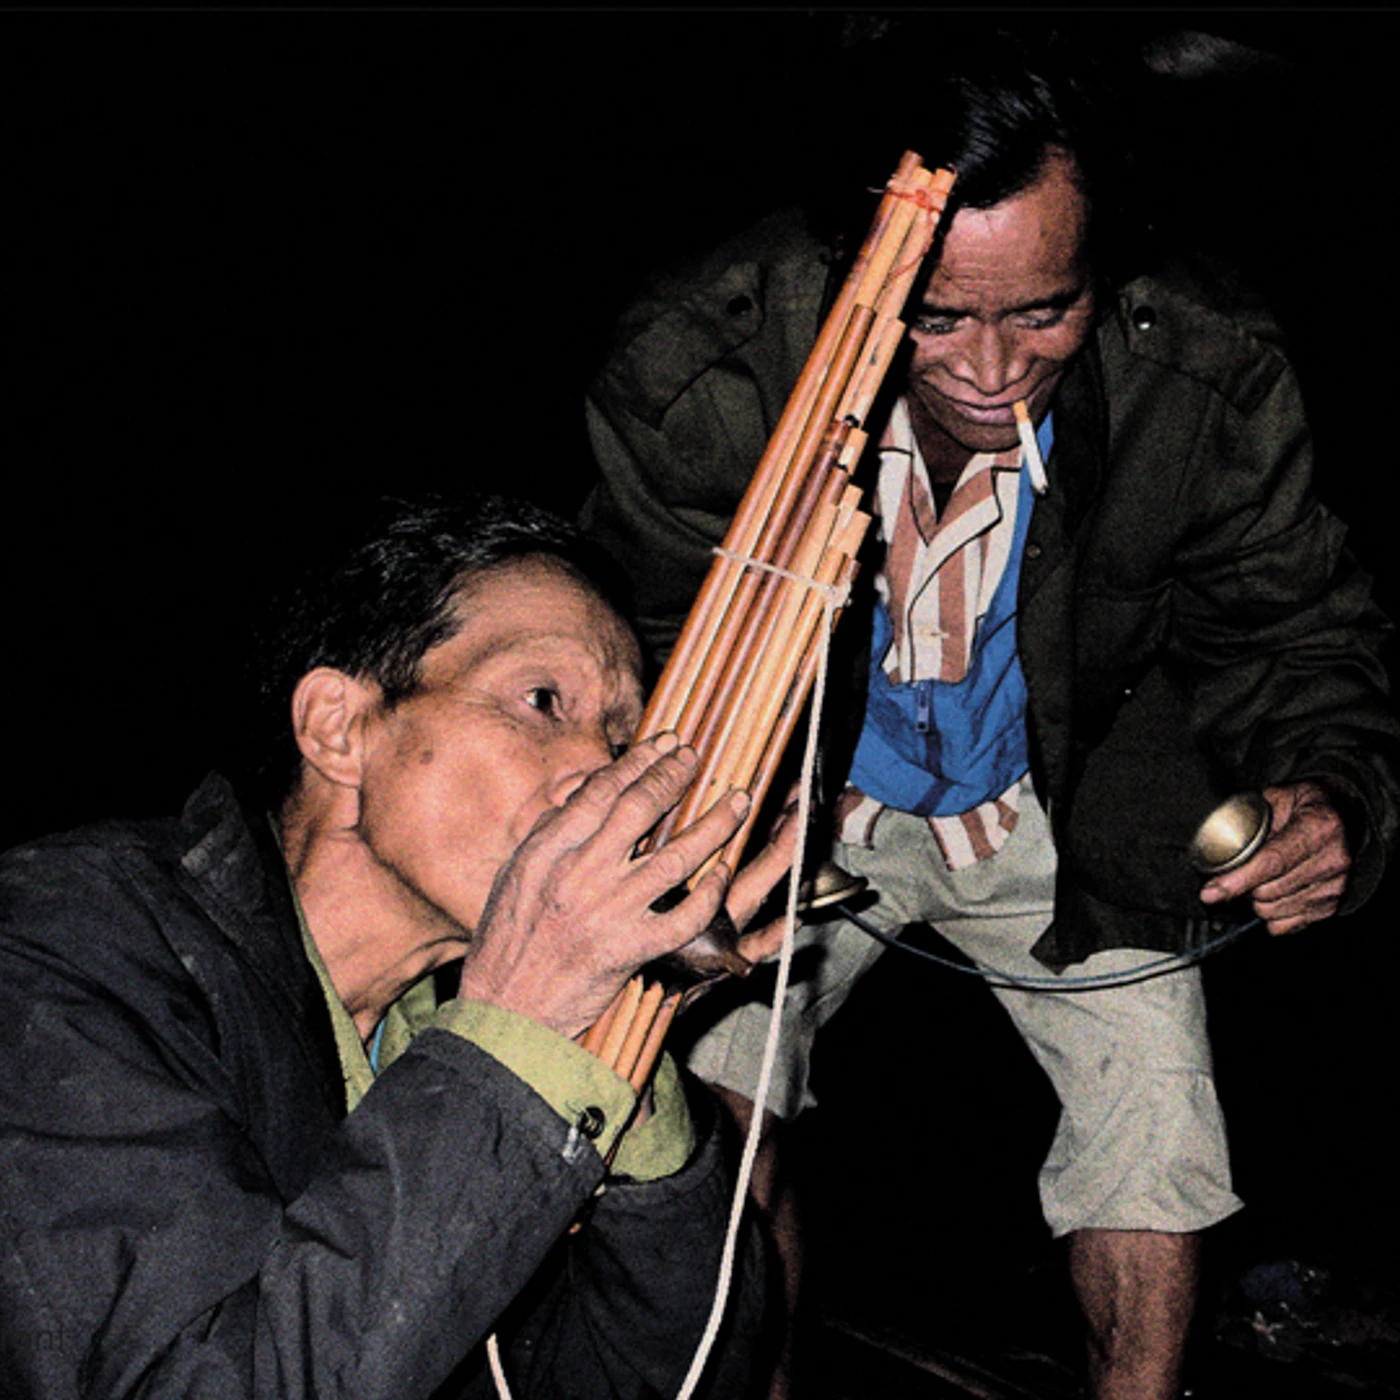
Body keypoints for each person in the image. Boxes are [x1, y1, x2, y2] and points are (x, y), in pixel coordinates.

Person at [580, 31, 1400, 1400]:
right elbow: (635, 646)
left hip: (1051, 790)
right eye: (940, 316)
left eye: (1044, 312)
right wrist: (679, 844)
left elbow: (1294, 619)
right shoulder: (701, 364)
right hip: (788, 790)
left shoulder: (1199, 362)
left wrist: (1334, 794)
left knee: (1160, 1135)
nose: (992, 368)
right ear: (857, 255)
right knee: (706, 1121)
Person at [0, 495, 794, 1399]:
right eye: (543, 701)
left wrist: (619, 1049)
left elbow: (662, 1382)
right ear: (339, 727)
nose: (606, 773)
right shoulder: (65, 943)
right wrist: (520, 1033)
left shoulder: (447, 1040)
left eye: (621, 737)